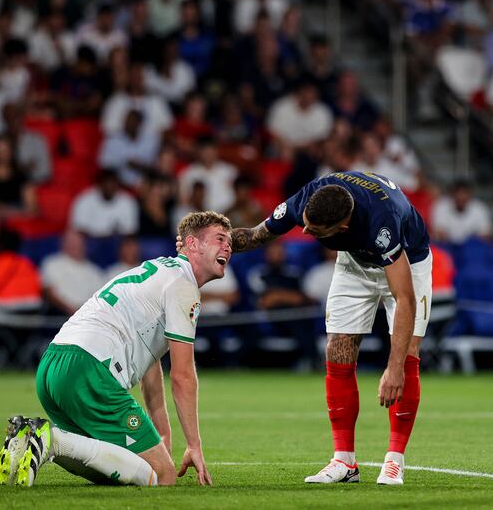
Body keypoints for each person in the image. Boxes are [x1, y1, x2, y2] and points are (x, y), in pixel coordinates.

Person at [179, 171, 432, 485]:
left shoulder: (382, 223)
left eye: (315, 231)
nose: (307, 230)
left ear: (343, 227)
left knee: (407, 355)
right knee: (337, 350)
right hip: (354, 262)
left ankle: (394, 459)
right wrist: (209, 246)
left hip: (409, 263)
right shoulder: (308, 199)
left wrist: (393, 369)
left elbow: (404, 297)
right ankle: (344, 462)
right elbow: (257, 235)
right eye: (306, 224)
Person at [0, 211, 231, 487]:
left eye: (229, 242)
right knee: (163, 476)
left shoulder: (158, 271)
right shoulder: (184, 285)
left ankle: (31, 439)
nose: (228, 246)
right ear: (192, 244)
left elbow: (150, 367)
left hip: (53, 365)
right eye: (219, 238)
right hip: (89, 370)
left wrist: (162, 435)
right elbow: (182, 377)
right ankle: (52, 440)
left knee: (118, 466)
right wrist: (194, 445)